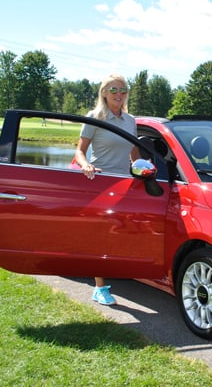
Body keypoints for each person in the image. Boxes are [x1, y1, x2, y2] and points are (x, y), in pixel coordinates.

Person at [74, 73, 139, 306]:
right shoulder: (95, 117)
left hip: (124, 184)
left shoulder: (130, 121)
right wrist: (85, 165)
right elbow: (80, 151)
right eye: (113, 90)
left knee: (119, 234)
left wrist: (142, 169)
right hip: (99, 182)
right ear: (104, 93)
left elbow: (134, 152)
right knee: (101, 235)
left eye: (123, 90)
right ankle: (99, 288)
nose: (119, 94)